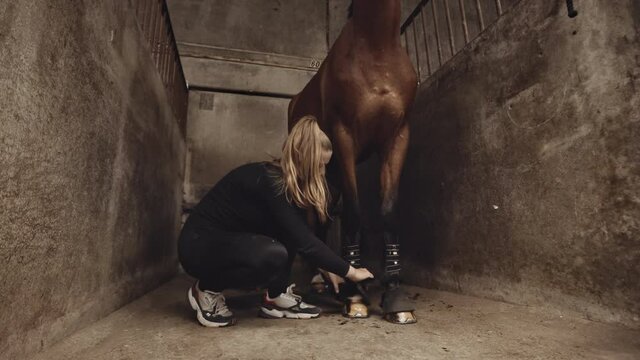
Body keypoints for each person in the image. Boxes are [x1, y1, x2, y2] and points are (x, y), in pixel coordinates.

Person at [178, 115, 374, 327]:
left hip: (226, 243)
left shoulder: (288, 187)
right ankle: (206, 289)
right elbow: (306, 244)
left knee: (286, 235)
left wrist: (328, 268)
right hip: (198, 245)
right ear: (305, 161)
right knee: (271, 255)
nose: (322, 172)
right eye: (319, 165)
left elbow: (300, 234)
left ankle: (276, 296)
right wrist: (351, 271)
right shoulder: (271, 181)